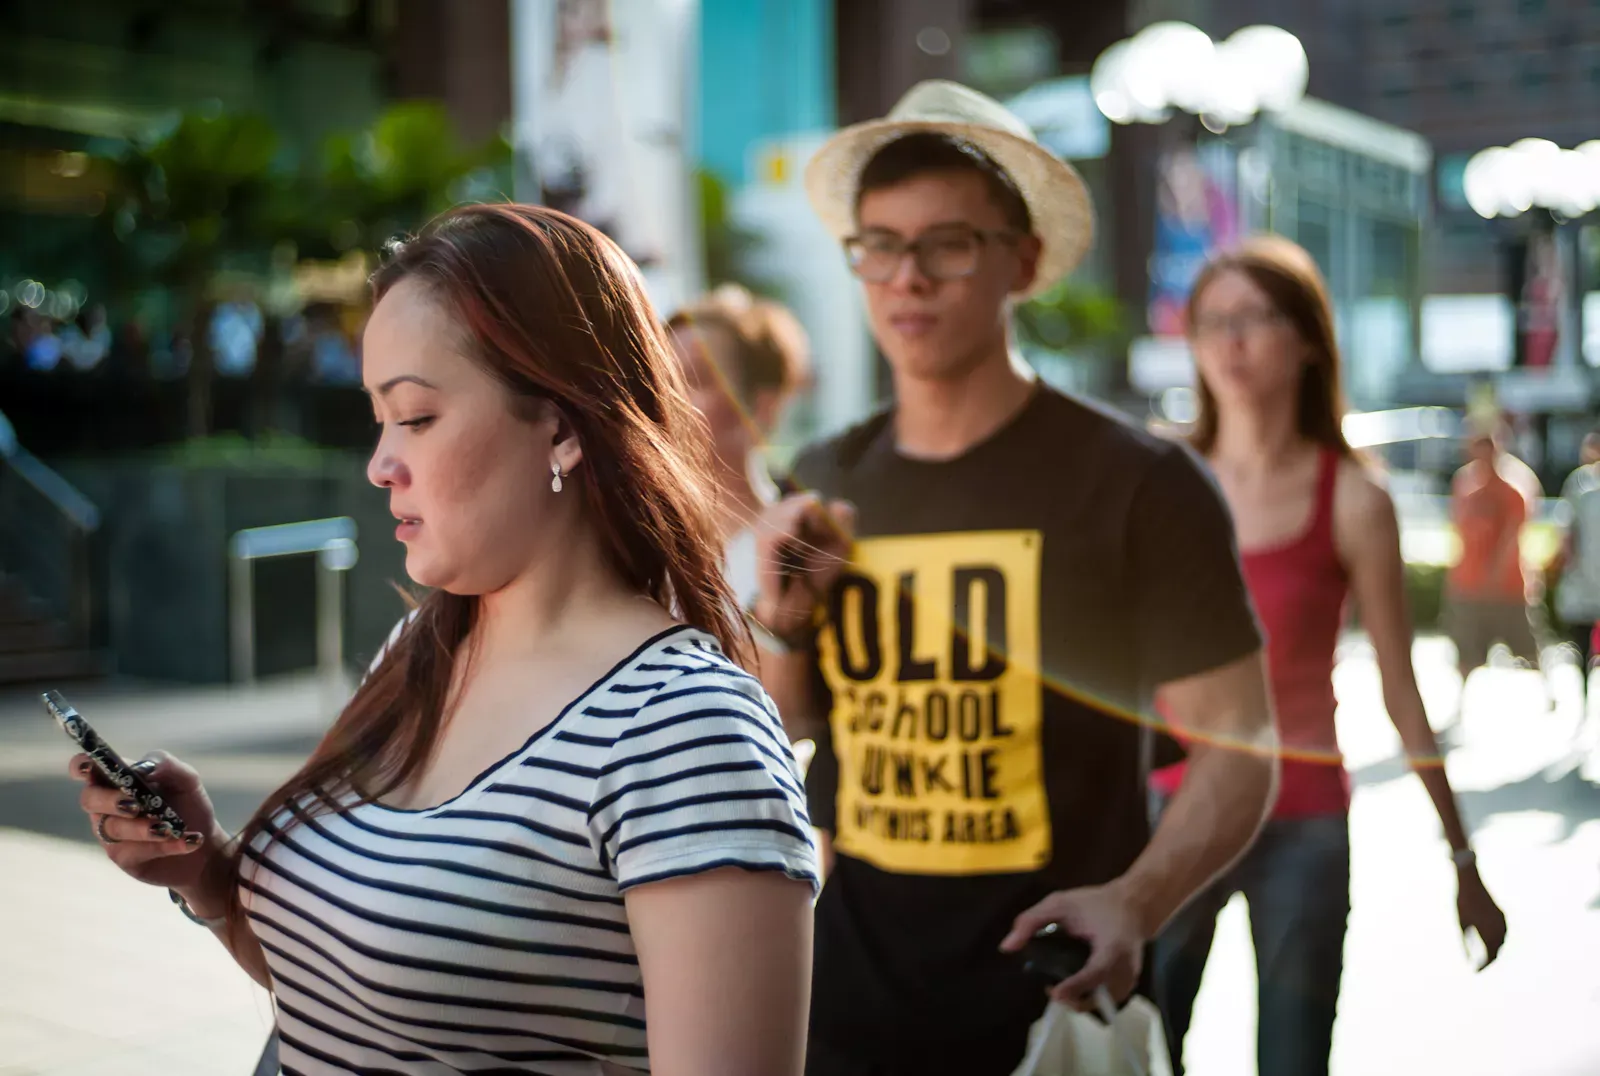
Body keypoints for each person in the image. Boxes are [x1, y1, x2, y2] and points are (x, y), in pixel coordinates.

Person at [70, 203, 819, 1076]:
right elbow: (354, 1002)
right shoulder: (417, 652)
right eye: (377, 420)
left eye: (416, 417)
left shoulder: (686, 733)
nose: (380, 463)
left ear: (565, 428)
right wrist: (206, 873)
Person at [747, 79, 1279, 1076]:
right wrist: (780, 624)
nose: (907, 276)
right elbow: (803, 723)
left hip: (1051, 1011)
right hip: (848, 1009)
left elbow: (1241, 750)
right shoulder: (822, 478)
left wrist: (1138, 899)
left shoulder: (1138, 483)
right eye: (878, 245)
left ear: (1021, 260)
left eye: (947, 242)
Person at [1148, 236, 1508, 1076]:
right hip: (1172, 818)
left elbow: (1400, 690)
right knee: (1139, 1050)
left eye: (1255, 319)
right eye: (1211, 323)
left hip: (1303, 819)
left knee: (1295, 1062)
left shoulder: (1353, 495)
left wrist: (1464, 857)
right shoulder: (1163, 477)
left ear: (1307, 338)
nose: (1230, 342)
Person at [667, 284, 812, 609]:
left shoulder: (797, 547)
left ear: (763, 406)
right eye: (660, 379)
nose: (667, 399)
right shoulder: (629, 551)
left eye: (695, 379)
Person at [1445, 419, 1550, 713]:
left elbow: (1512, 536)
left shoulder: (1513, 485)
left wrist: (1495, 571)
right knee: (1467, 647)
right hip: (1469, 584)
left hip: (1508, 587)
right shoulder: (1464, 483)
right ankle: (1459, 704)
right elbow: (1459, 529)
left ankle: (1548, 691)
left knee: (1526, 645)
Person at [1553, 431, 1600, 713]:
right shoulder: (1579, 484)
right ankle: (1584, 698)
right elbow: (1566, 527)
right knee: (1581, 638)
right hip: (1585, 575)